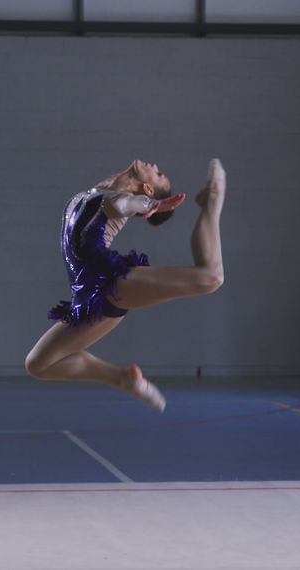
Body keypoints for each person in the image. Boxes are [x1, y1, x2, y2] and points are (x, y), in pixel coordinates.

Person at [24, 158, 227, 412]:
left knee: (212, 277)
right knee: (38, 364)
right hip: (87, 296)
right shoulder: (102, 189)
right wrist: (137, 187)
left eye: (159, 173)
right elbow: (119, 186)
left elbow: (127, 203)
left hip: (111, 282)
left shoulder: (116, 200)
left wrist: (151, 205)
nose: (155, 165)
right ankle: (122, 379)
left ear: (149, 190)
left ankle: (214, 200)